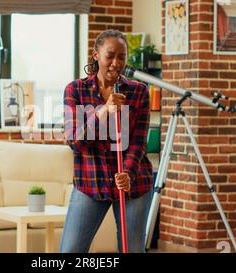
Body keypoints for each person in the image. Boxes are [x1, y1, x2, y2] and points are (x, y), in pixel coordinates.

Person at [60, 29, 153, 253]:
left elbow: (139, 142)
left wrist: (127, 174)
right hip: (91, 181)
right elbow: (75, 141)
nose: (115, 63)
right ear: (96, 56)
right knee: (70, 251)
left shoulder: (138, 91)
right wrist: (104, 111)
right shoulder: (76, 90)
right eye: (109, 55)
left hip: (133, 184)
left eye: (121, 57)